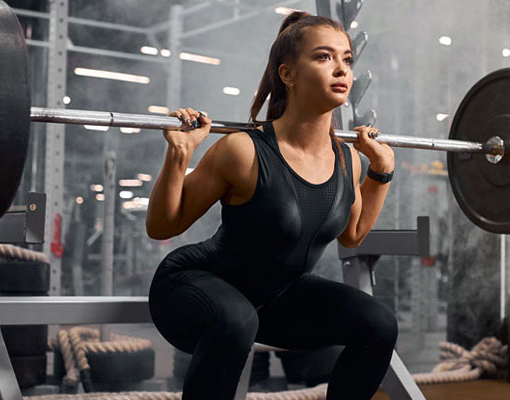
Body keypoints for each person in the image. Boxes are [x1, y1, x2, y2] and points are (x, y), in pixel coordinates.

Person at [145, 10, 398, 400]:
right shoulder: (243, 150)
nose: (341, 69)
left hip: (274, 300)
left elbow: (353, 235)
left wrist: (380, 170)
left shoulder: (347, 159)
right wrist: (178, 157)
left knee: (378, 324)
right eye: (323, 57)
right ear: (287, 74)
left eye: (346, 59)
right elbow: (163, 226)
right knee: (236, 320)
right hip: (192, 287)